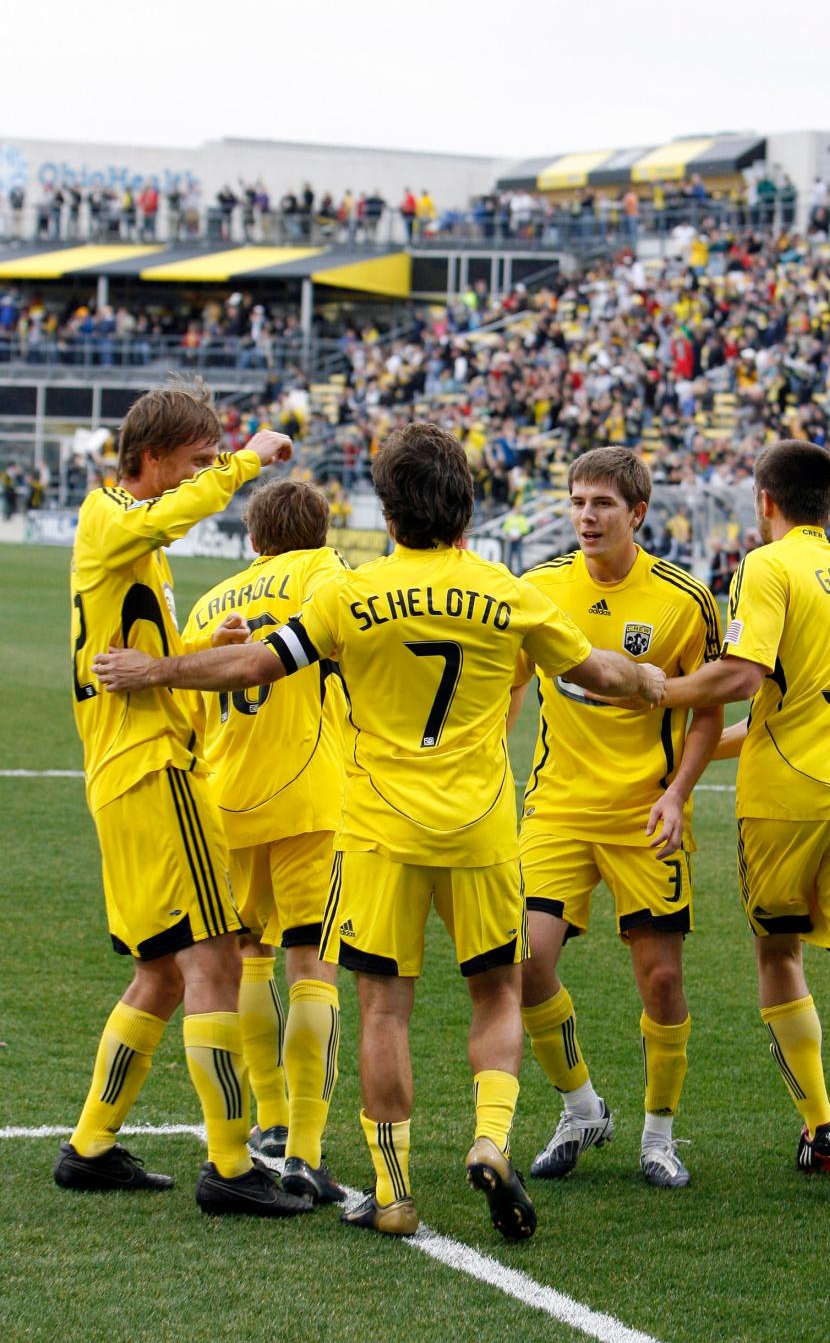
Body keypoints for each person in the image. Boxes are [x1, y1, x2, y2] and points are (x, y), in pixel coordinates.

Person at [92, 421, 667, 1241]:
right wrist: (652, 683)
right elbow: (600, 674)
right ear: (466, 512)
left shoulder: (349, 596)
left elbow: (254, 664)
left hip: (376, 834)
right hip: (478, 830)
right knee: (497, 994)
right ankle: (491, 1139)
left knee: (383, 1012)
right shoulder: (509, 592)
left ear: (388, 517)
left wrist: (158, 669)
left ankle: (393, 1194)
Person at [56, 379, 308, 1218]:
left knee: (161, 972)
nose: (203, 474)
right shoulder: (112, 516)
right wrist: (243, 461)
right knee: (218, 957)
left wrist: (205, 643)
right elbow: (168, 514)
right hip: (151, 770)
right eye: (194, 460)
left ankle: (90, 1144)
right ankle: (232, 1165)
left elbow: (143, 662)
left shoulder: (131, 542)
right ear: (151, 458)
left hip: (125, 770)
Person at [661, 440, 830, 1205]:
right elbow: (794, 704)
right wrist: (700, 754)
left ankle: (818, 1123)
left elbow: (743, 676)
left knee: (779, 954)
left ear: (763, 500)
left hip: (786, 801)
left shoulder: (767, 566)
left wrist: (658, 692)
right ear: (827, 504)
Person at [509, 448, 722, 1189]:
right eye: (576, 502)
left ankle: (658, 1137)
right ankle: (580, 1108)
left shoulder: (683, 599)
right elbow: (505, 686)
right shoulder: (537, 589)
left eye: (602, 503)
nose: (585, 517)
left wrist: (676, 794)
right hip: (557, 806)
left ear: (637, 513)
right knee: (525, 963)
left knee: (661, 979)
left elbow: (704, 714)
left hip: (644, 811)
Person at [180, 479, 349, 1207]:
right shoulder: (324, 573)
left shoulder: (212, 599)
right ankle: (305, 1147)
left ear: (252, 540)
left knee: (249, 957)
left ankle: (270, 1121)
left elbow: (190, 702)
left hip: (226, 799)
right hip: (310, 791)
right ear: (320, 532)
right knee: (313, 962)